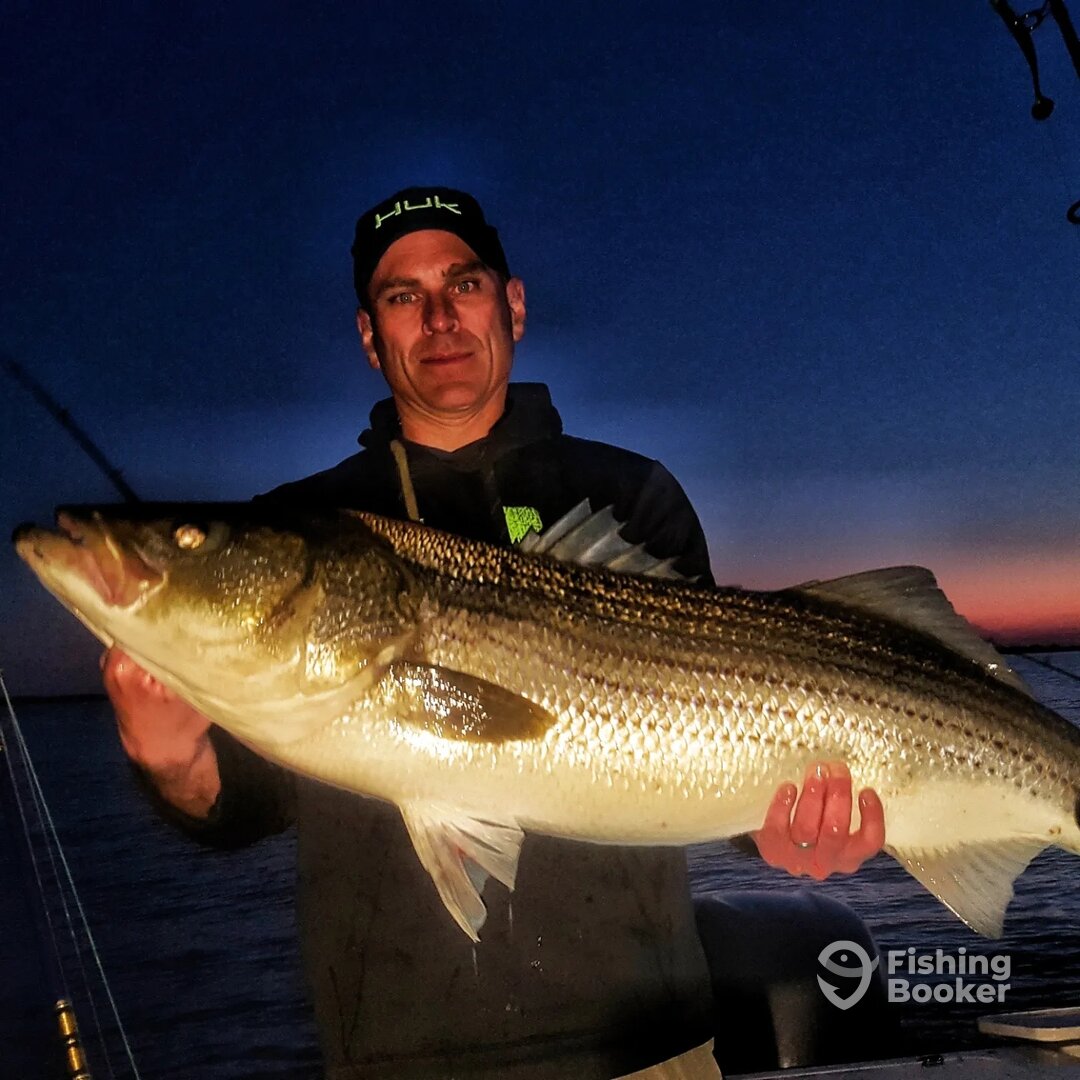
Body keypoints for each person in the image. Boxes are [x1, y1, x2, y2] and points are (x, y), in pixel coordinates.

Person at [104, 187, 885, 1079]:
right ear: (370, 337)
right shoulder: (308, 519)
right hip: (398, 1054)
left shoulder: (629, 495)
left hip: (647, 1041)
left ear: (511, 305)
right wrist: (172, 759)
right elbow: (250, 798)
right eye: (403, 296)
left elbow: (718, 721)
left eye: (463, 284)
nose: (439, 317)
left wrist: (782, 827)